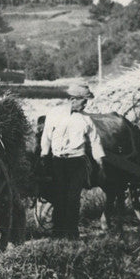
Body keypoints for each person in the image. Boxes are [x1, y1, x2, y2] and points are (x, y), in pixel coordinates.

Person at [39, 83, 106, 239]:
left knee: (73, 198)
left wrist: (100, 162)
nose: (85, 104)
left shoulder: (86, 120)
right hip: (58, 162)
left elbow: (95, 141)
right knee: (59, 196)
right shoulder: (54, 114)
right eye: (84, 100)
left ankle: (72, 234)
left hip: (77, 162)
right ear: (73, 99)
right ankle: (57, 233)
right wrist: (44, 155)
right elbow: (46, 136)